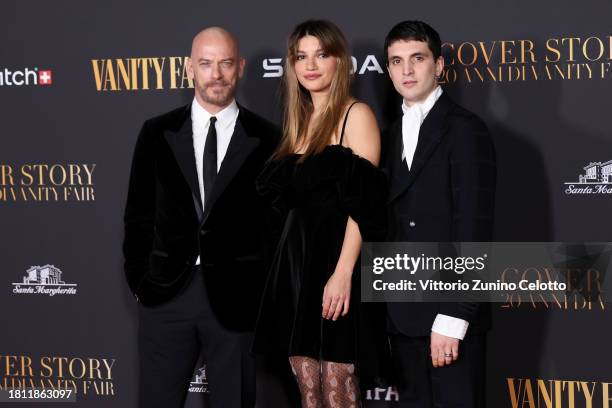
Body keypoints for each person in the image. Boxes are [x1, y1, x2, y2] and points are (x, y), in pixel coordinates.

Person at [123, 27, 279, 408]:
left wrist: (259, 292)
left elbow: (273, 226)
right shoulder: (156, 133)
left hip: (236, 299)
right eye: (206, 64)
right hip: (166, 295)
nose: (217, 74)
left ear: (240, 67)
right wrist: (141, 283)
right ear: (190, 68)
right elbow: (138, 215)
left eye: (225, 63)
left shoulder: (268, 137)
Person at [252, 19, 391, 408]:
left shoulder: (356, 115)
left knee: (338, 385)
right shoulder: (298, 123)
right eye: (301, 56)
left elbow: (365, 206)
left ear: (339, 62)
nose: (311, 65)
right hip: (297, 271)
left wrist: (343, 274)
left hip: (336, 266)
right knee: (308, 390)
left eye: (322, 54)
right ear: (293, 66)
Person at [381, 20, 496, 407]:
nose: (407, 70)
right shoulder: (387, 134)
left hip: (449, 319)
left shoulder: (466, 130)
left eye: (417, 58)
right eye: (397, 61)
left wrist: (454, 315)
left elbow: (474, 228)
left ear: (440, 65)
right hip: (401, 315)